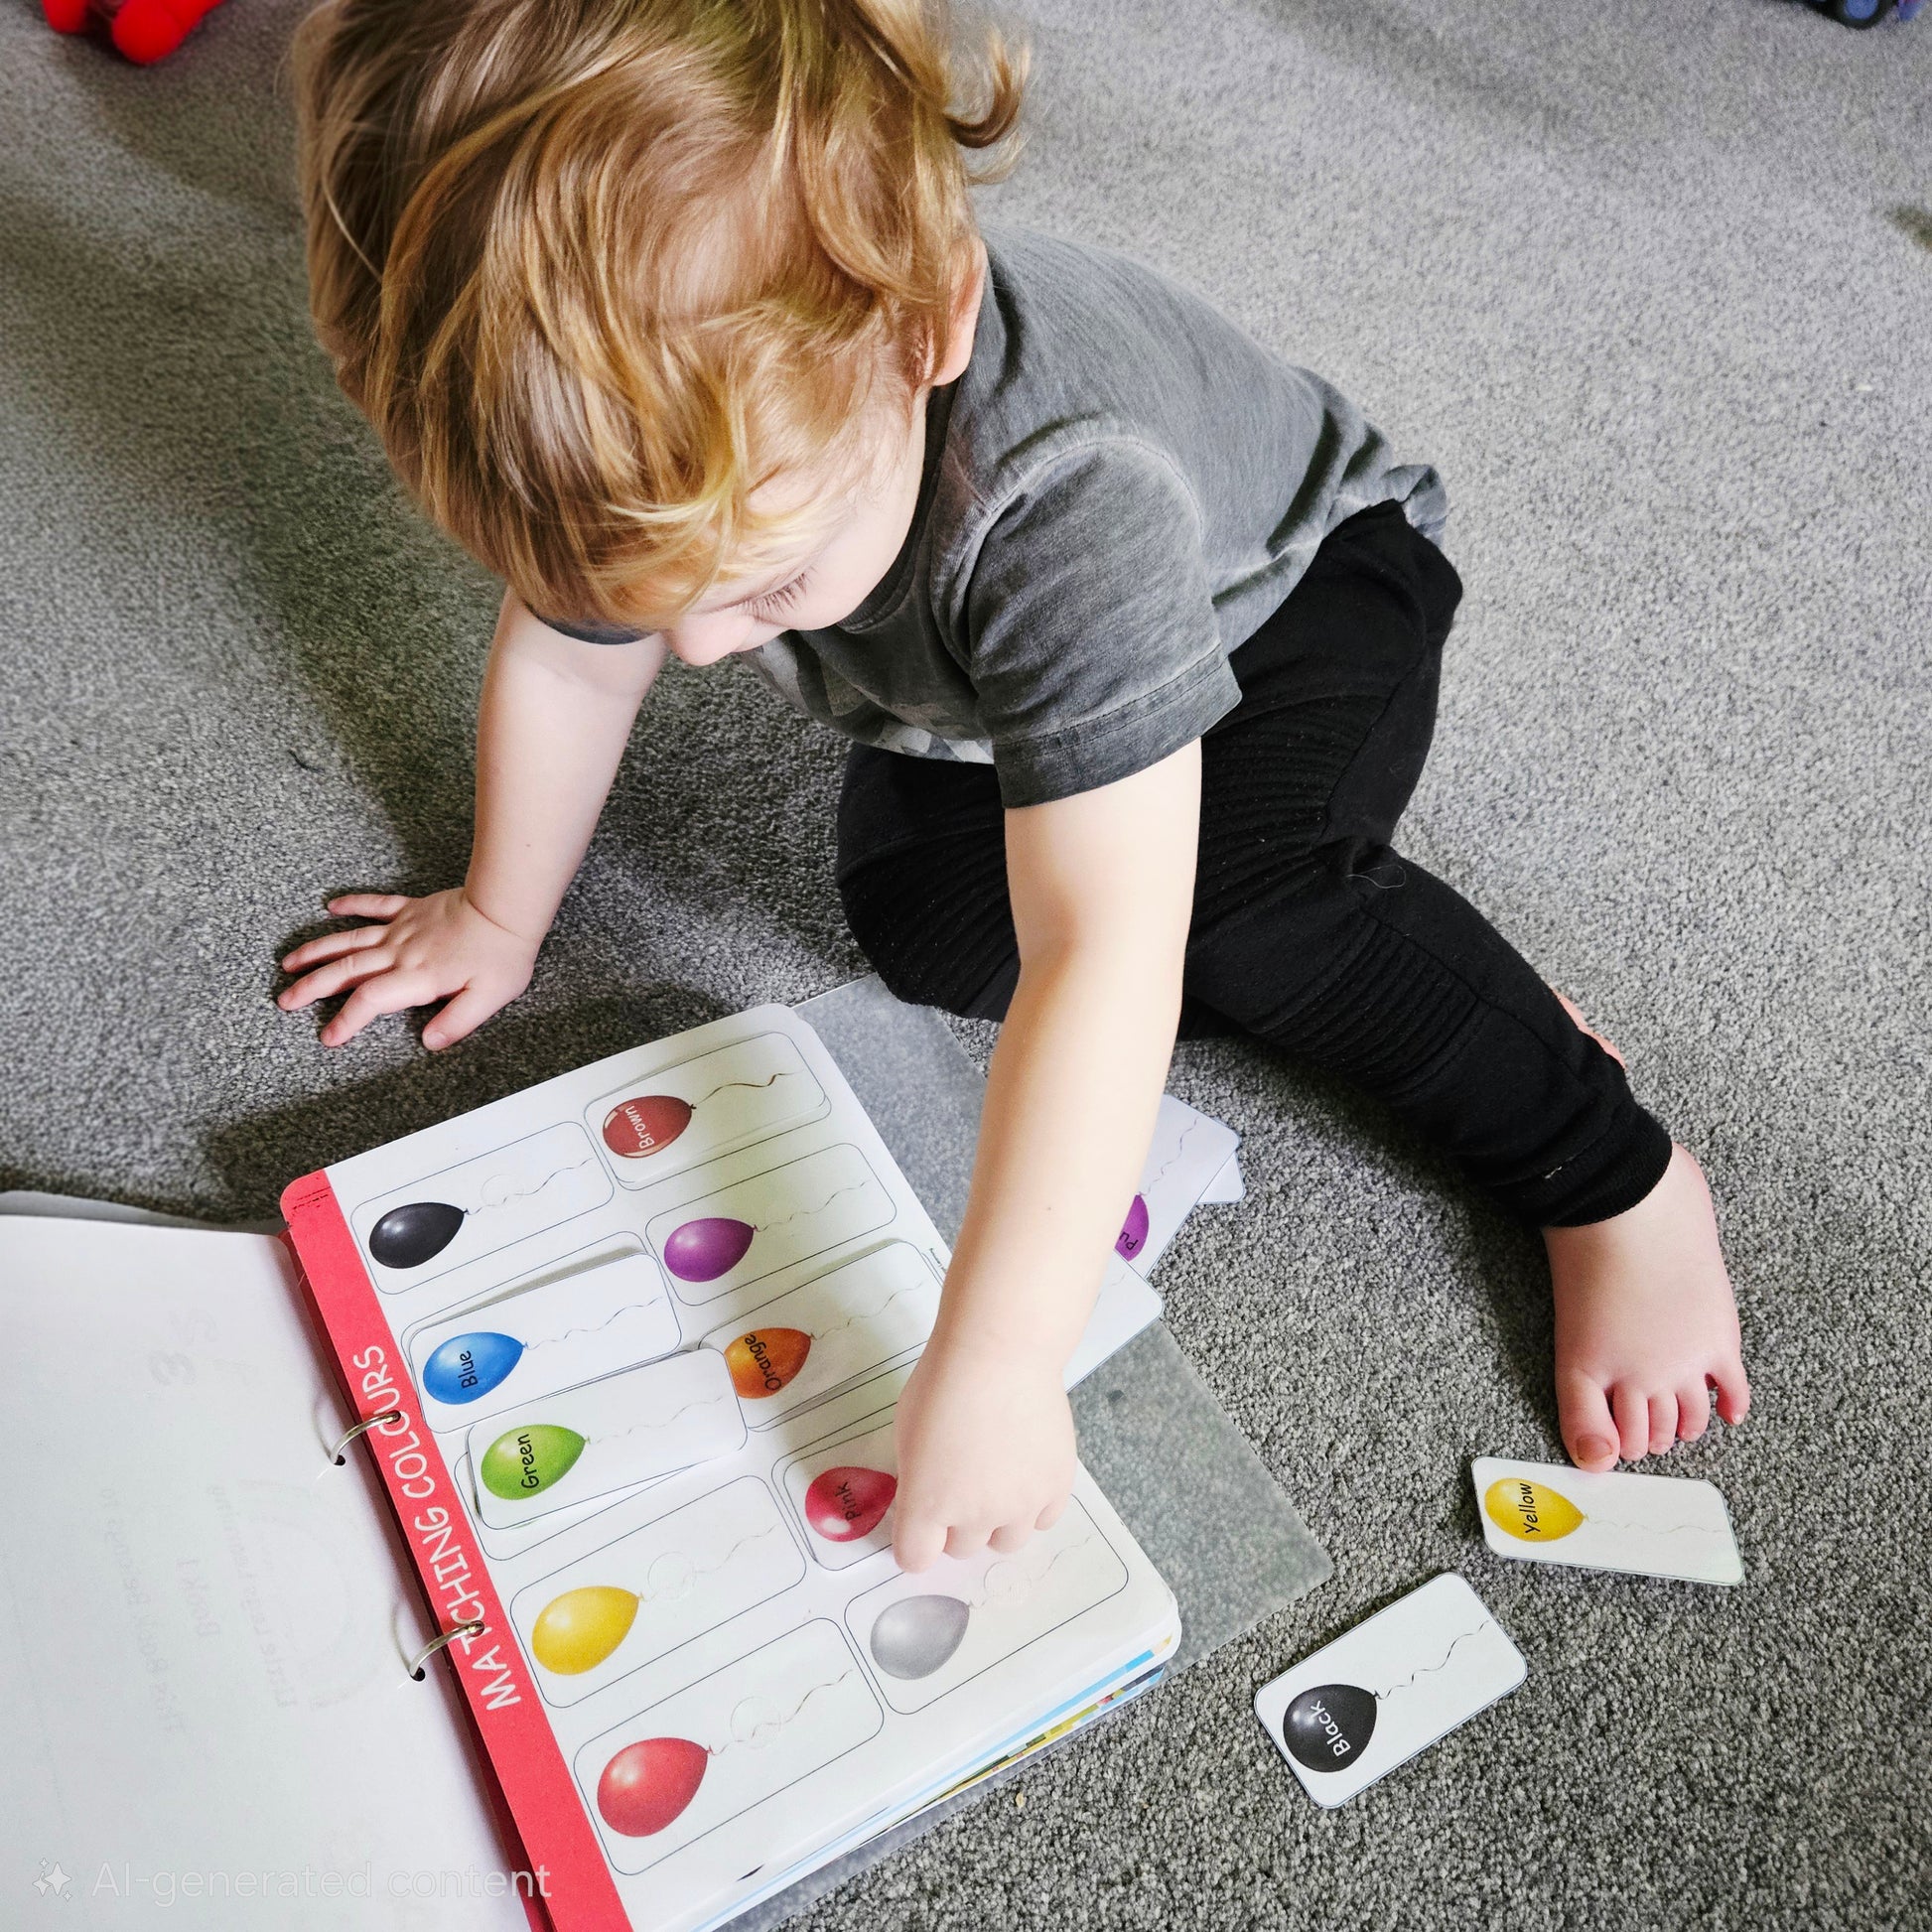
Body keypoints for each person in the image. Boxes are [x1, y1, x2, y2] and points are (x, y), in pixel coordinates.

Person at [279, 0, 1747, 1572]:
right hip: (981, 693)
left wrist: (995, 1362)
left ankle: (1615, 1170)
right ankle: (1421, 978)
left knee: (1246, 916)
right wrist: (497, 912)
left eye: (761, 583)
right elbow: (573, 665)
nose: (697, 646)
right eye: (641, 592)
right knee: (923, 925)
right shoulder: (629, 433)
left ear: (924, 329)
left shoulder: (1065, 498)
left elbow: (1100, 952)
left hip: (1295, 601)